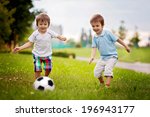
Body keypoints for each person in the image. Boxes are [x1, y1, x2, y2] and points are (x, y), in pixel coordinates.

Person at [13, 13, 67, 79]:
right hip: (37, 55)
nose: (43, 26)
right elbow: (29, 43)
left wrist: (62, 38)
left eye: (45, 24)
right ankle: (37, 81)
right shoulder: (35, 34)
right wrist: (20, 48)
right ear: (37, 25)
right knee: (37, 69)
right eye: (40, 24)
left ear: (48, 25)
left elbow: (57, 36)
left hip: (47, 54)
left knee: (48, 69)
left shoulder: (50, 32)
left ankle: (45, 78)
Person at [89, 14, 130, 88]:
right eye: (93, 26)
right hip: (103, 58)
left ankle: (107, 86)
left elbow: (118, 39)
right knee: (96, 72)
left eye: (97, 25)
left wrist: (126, 46)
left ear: (102, 25)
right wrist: (92, 57)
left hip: (112, 56)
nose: (95, 28)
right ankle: (101, 83)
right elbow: (94, 48)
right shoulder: (94, 37)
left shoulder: (107, 33)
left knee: (108, 70)